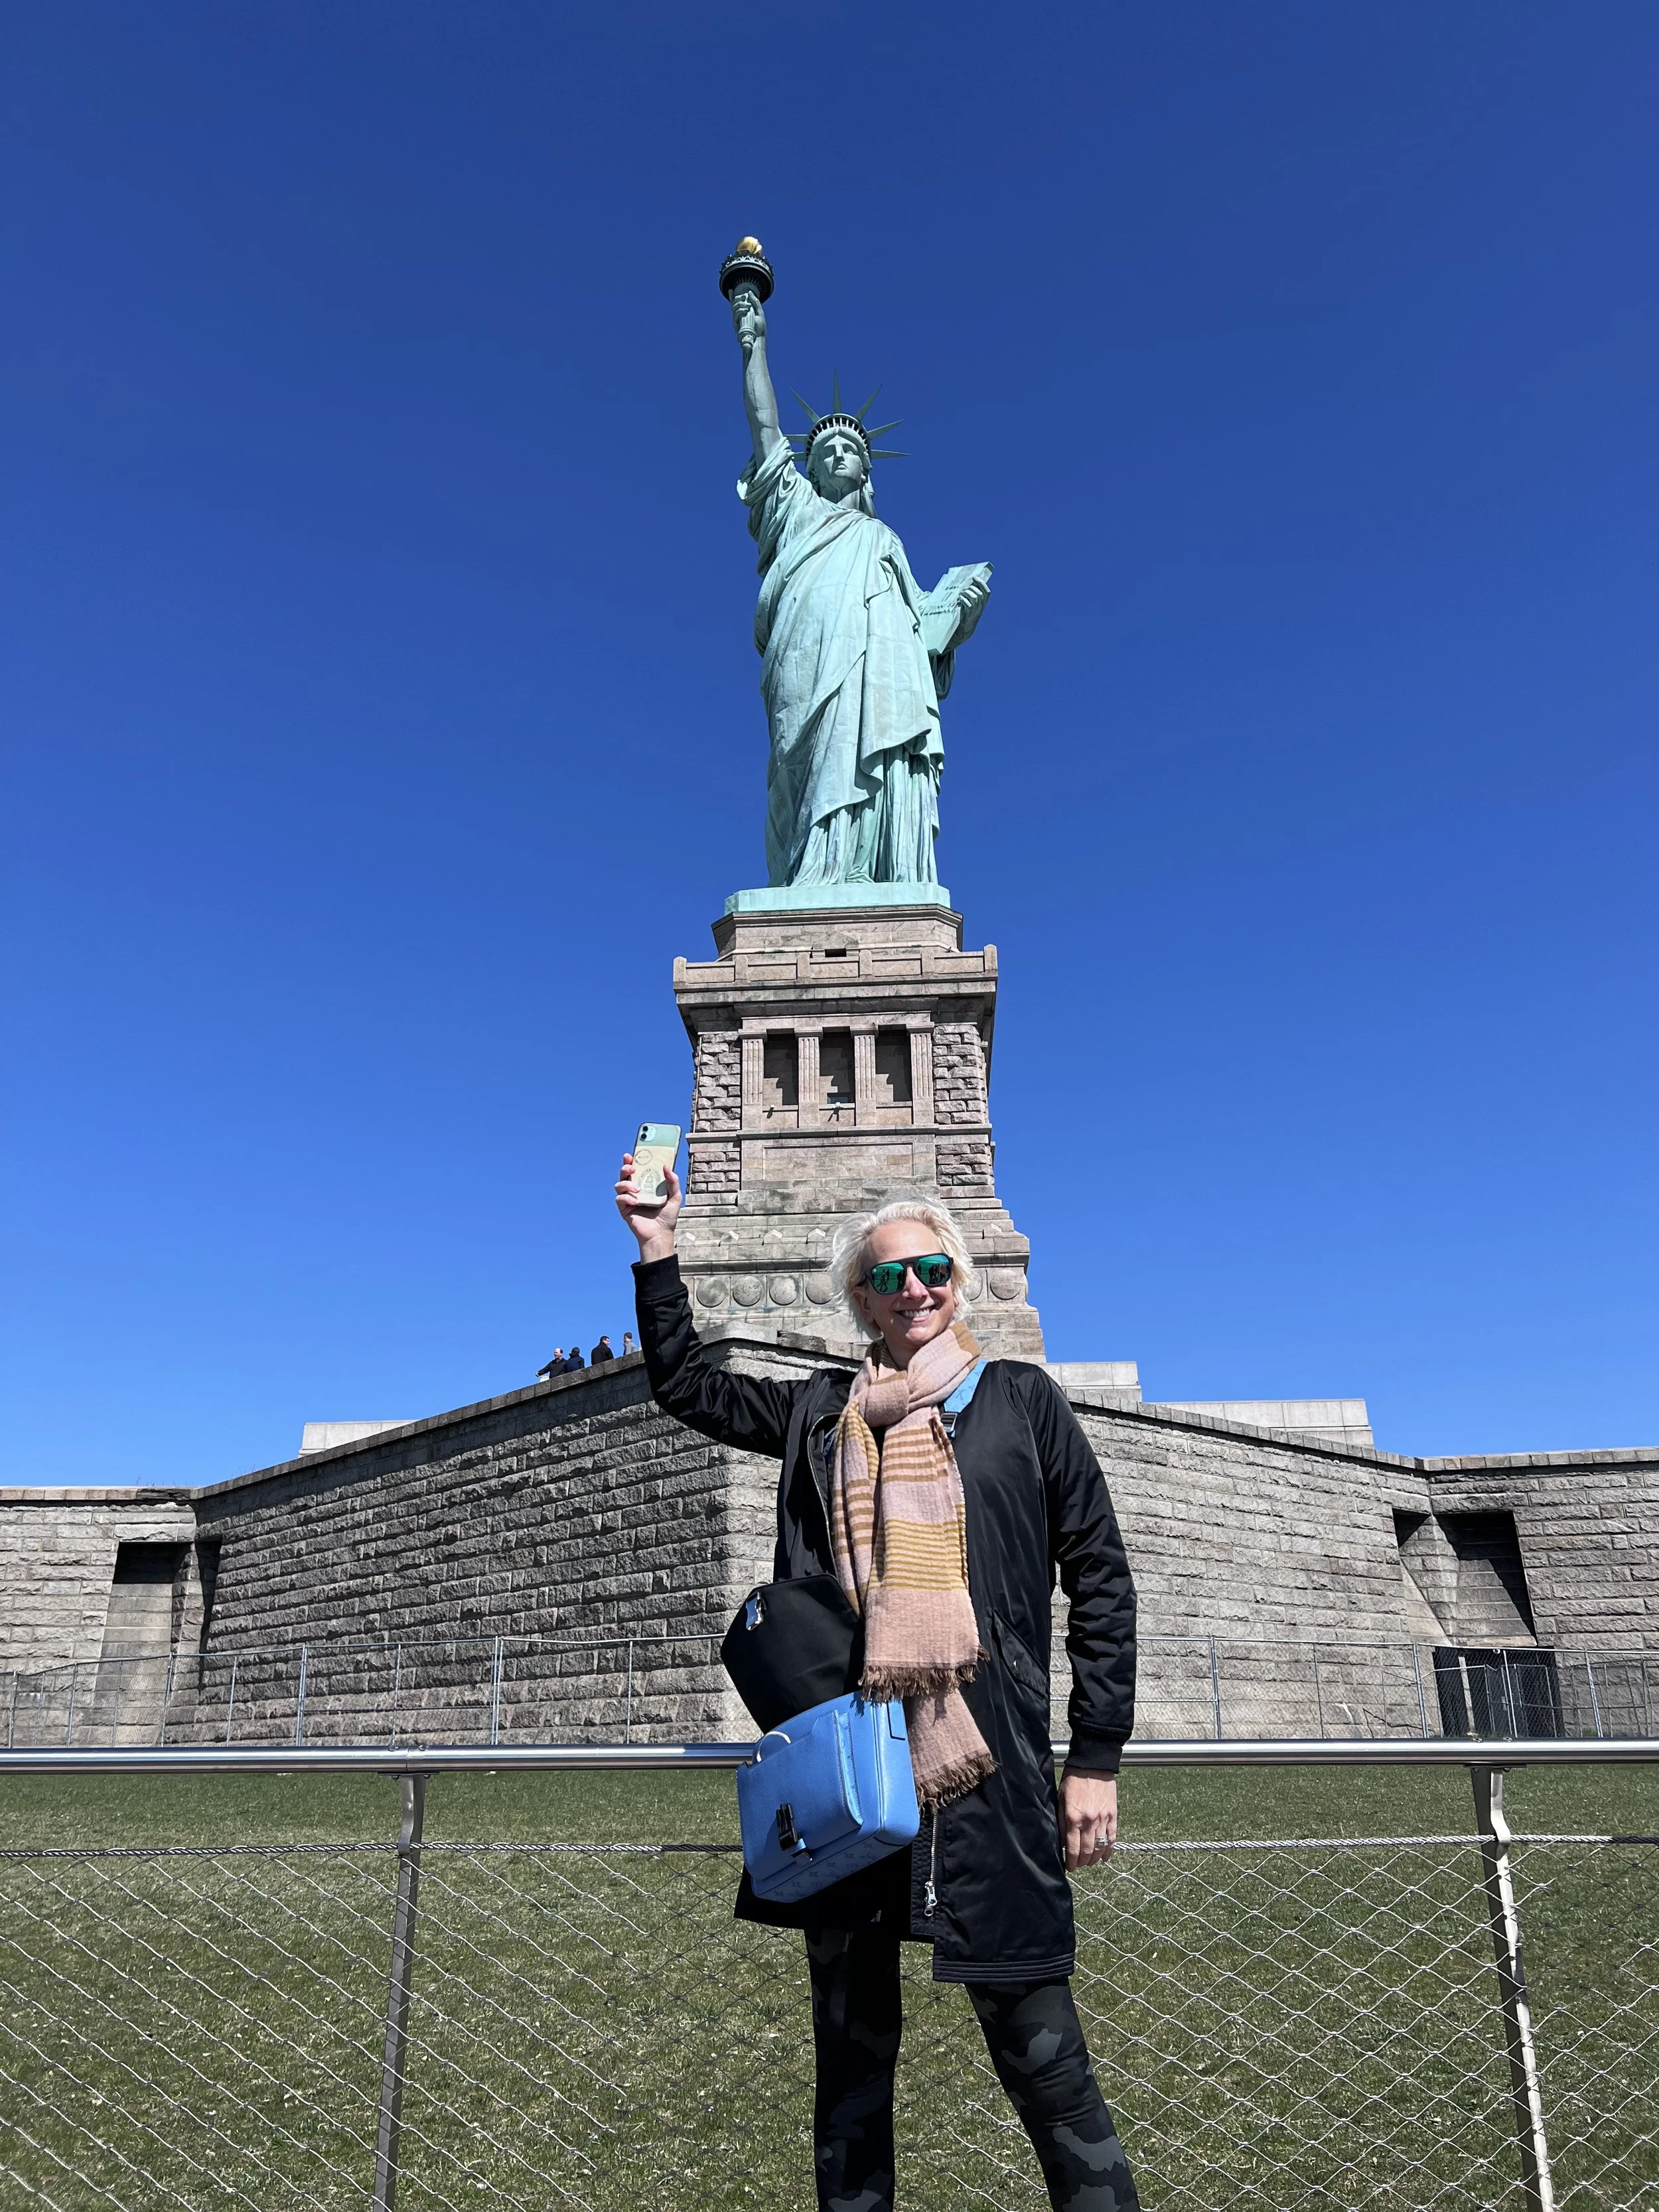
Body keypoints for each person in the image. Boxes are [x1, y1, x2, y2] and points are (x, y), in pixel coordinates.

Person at [616, 1151, 1140, 2212]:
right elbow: (684, 1384)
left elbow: (1100, 1579)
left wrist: (1094, 1757)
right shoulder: (820, 1412)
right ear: (860, 1298)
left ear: (960, 1278)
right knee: (851, 2076)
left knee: (1048, 2068)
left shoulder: (1024, 1404)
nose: (916, 1290)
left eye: (932, 1268)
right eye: (890, 1277)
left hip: (986, 1777)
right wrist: (658, 1246)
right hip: (847, 1774)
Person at [727, 279, 991, 890]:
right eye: (828, 447)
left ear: (866, 471)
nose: (840, 453)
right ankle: (812, 876)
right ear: (811, 465)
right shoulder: (794, 511)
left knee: (881, 749)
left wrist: (959, 618)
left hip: (880, 678)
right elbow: (765, 428)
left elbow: (922, 626)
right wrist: (753, 345)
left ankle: (877, 875)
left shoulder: (885, 541)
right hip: (809, 661)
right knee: (810, 765)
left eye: (851, 448)